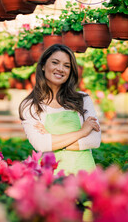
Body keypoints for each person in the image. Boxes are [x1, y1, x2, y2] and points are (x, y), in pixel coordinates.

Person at [19, 44, 101, 175]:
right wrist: (82, 131)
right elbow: (41, 145)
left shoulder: (83, 100)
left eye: (67, 66)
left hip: (86, 176)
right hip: (52, 177)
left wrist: (53, 139)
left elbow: (94, 141)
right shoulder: (30, 106)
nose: (60, 69)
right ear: (43, 66)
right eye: (55, 62)